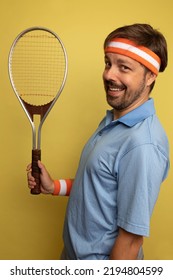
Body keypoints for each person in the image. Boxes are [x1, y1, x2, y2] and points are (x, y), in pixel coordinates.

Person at [27, 23, 170, 260]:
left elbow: (131, 242)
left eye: (124, 67)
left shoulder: (142, 145)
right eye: (108, 63)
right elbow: (99, 188)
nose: (109, 75)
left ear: (150, 76)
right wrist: (54, 187)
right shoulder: (113, 121)